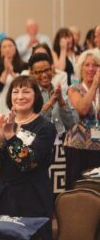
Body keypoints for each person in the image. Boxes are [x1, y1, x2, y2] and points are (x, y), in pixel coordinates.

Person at [0, 75, 56, 240]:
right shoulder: (7, 123)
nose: (20, 96)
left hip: (34, 198)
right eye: (15, 92)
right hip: (6, 197)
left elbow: (26, 162)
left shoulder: (45, 127)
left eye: (26, 91)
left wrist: (10, 135)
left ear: (35, 96)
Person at [28, 53, 78, 193]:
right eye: (39, 72)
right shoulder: (29, 94)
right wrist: (50, 103)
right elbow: (32, 122)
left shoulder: (60, 91)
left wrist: (61, 101)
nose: (44, 75)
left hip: (59, 149)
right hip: (37, 148)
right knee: (39, 191)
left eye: (47, 70)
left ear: (52, 69)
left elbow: (72, 123)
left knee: (58, 192)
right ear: (32, 73)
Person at [64, 49, 100, 187]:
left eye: (95, 65)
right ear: (81, 68)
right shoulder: (73, 89)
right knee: (78, 187)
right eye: (87, 65)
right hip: (78, 146)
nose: (91, 69)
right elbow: (82, 109)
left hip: (98, 145)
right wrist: (94, 85)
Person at [0, 37, 27, 116]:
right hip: (2, 102)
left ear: (15, 48)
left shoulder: (24, 66)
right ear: (0, 51)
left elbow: (25, 84)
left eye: (10, 46)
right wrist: (6, 70)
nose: (7, 49)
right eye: (4, 47)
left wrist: (11, 72)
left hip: (21, 100)